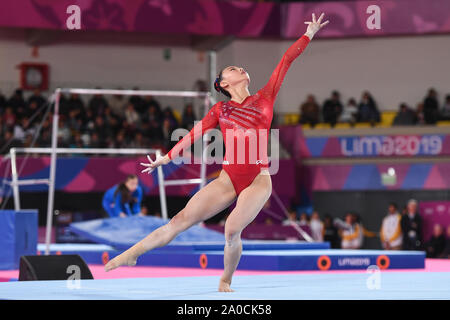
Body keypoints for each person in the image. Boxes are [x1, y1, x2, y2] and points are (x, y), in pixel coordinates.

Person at [104, 13, 329, 292]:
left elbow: (286, 60)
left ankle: (226, 278)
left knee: (232, 230)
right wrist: (167, 157)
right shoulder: (221, 110)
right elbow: (195, 134)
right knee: (179, 220)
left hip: (258, 177)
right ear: (224, 83)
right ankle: (133, 253)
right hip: (228, 178)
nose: (240, 68)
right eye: (233, 68)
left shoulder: (266, 96)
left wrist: (309, 34)